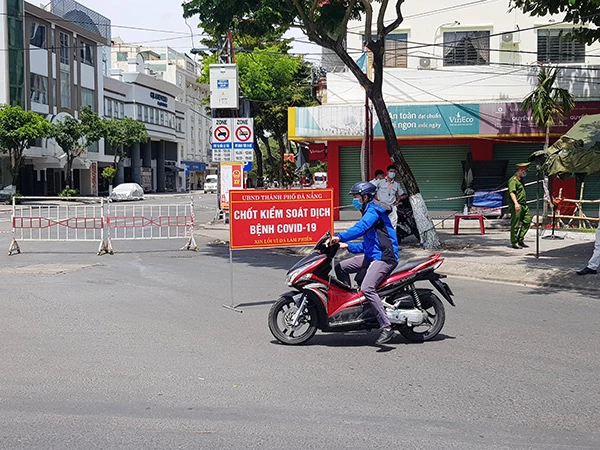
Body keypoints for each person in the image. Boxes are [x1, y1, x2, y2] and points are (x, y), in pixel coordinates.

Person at [330, 181, 399, 345]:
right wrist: (348, 246)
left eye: (356, 197)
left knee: (368, 287)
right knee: (341, 267)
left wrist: (340, 236)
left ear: (366, 196)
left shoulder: (374, 210)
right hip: (373, 255)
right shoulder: (367, 210)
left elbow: (361, 228)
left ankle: (386, 326)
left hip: (384, 257)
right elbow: (369, 244)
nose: (355, 200)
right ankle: (351, 304)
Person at [371, 164, 405, 229]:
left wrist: (397, 201)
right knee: (380, 223)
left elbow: (400, 194)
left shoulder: (396, 184)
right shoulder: (380, 182)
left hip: (392, 207)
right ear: (387, 172)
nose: (392, 173)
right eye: (391, 171)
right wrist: (376, 199)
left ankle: (392, 238)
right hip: (381, 206)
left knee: (392, 225)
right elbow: (372, 190)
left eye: (394, 172)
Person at [507, 162, 532, 249]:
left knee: (527, 221)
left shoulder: (520, 180)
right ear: (521, 170)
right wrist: (516, 203)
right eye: (525, 171)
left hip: (524, 205)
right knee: (515, 224)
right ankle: (514, 242)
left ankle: (520, 239)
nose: (525, 173)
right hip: (517, 205)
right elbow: (512, 193)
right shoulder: (513, 180)